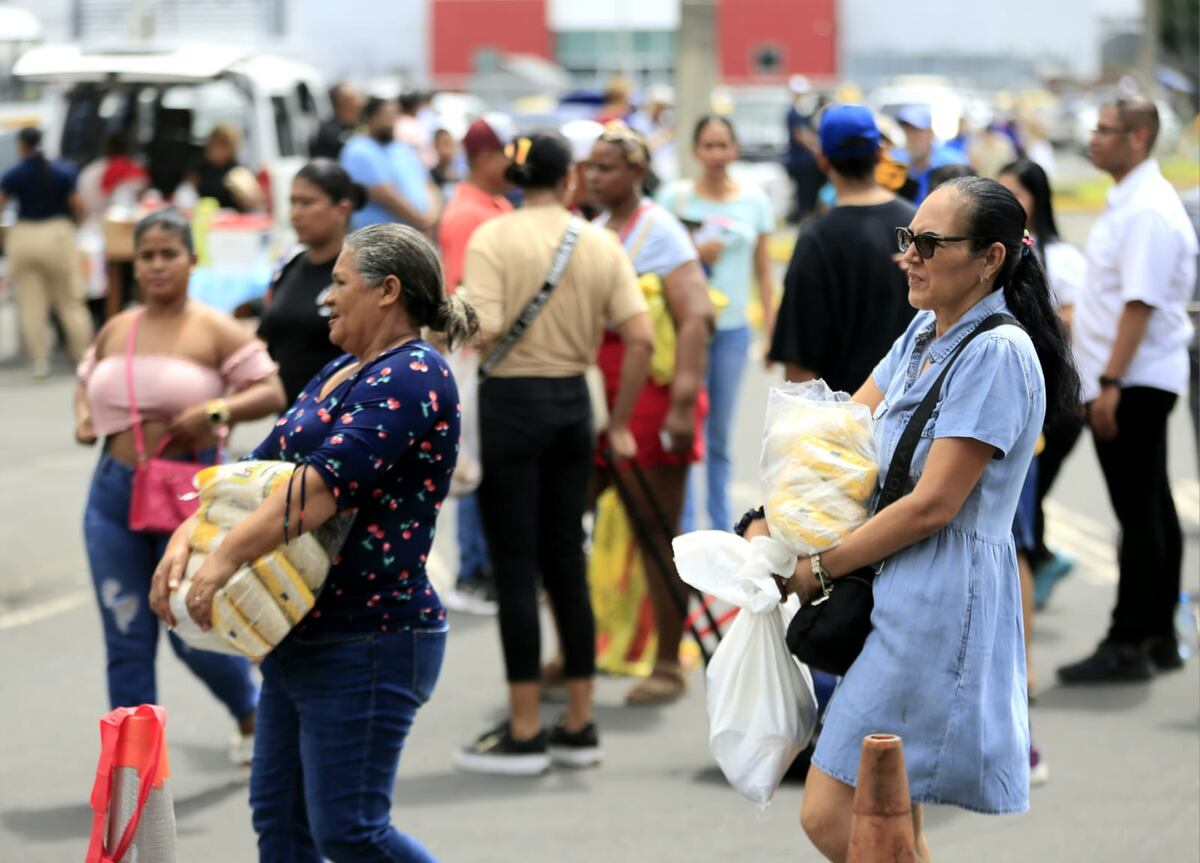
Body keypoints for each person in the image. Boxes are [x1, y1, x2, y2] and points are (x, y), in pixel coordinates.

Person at [750, 176, 1079, 860]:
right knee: (891, 811)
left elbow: (934, 504)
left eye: (930, 243)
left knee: (830, 810)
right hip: (898, 584)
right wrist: (767, 519)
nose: (909, 255)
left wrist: (822, 565)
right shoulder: (924, 331)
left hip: (940, 600)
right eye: (909, 239)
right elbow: (843, 430)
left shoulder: (996, 352)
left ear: (990, 258)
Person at [149, 222, 477, 861]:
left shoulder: (414, 373)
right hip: (300, 629)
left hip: (371, 635)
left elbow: (323, 486)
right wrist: (186, 536)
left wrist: (222, 560)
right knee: (282, 823)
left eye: (339, 282)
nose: (327, 296)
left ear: (387, 291)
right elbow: (254, 471)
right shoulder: (339, 371)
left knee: (350, 831)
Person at [454, 132, 654, 774]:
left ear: (516, 179)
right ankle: (578, 722)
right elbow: (640, 337)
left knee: (515, 567)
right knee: (567, 558)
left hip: (511, 404)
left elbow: (478, 329)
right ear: (569, 178)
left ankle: (522, 730)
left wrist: (442, 318)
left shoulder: (493, 238)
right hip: (575, 404)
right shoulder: (598, 240)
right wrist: (619, 422)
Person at [75, 209, 286, 762]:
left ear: (193, 260)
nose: (157, 265)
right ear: (135, 264)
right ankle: (134, 774)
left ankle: (249, 711)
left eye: (170, 253)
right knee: (126, 637)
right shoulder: (120, 325)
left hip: (186, 502)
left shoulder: (213, 327)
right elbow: (85, 374)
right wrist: (83, 417)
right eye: (146, 256)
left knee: (191, 628)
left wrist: (218, 410)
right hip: (112, 496)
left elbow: (270, 391)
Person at [1058, 97, 1198, 684]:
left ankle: (1129, 640)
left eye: (1106, 131)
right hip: (1132, 376)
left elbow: (1138, 303)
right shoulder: (1132, 200)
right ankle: (1160, 633)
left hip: (1134, 379)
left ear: (1138, 138)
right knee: (1150, 507)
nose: (1094, 139)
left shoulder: (1146, 209)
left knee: (1136, 512)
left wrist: (1109, 381)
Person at [583, 121, 715, 703]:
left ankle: (667, 661)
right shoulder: (591, 229)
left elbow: (696, 317)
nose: (594, 176)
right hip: (596, 395)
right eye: (589, 167)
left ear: (637, 172)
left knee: (656, 532)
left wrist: (683, 403)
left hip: (652, 399)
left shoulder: (659, 230)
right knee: (568, 524)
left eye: (606, 167)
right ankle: (580, 649)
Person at [658, 115, 776, 534]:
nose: (716, 155)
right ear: (694, 151)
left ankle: (720, 528)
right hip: (683, 328)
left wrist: (770, 334)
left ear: (735, 149)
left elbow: (764, 272)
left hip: (731, 331)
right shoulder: (675, 198)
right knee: (686, 427)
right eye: (707, 146)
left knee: (721, 435)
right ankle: (685, 527)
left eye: (723, 145)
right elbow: (655, 258)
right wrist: (692, 249)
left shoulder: (755, 201)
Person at [769, 104, 916, 393]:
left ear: (823, 159)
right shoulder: (917, 224)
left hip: (842, 420)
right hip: (914, 414)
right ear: (879, 153)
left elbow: (800, 360)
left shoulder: (816, 240)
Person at [996, 159, 1088, 610]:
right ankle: (1041, 561)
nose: (1010, 200)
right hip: (1026, 403)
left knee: (1019, 510)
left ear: (1039, 199)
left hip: (1056, 405)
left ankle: (1037, 568)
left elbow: (1070, 320)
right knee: (1020, 507)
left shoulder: (1060, 256)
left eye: (1019, 192)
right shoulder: (997, 252)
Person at [437, 113, 517, 614]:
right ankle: (472, 571)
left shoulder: (493, 205)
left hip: (492, 354)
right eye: (505, 154)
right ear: (486, 158)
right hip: (475, 352)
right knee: (473, 462)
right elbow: (466, 291)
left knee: (485, 457)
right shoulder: (468, 214)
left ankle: (481, 564)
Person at [258, 159, 364, 404]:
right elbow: (266, 335)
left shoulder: (359, 273)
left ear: (342, 210)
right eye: (292, 202)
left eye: (307, 203)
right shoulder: (291, 266)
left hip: (340, 417)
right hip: (290, 422)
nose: (295, 214)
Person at [0, 126, 94, 379]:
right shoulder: (63, 171)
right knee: (70, 300)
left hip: (25, 235)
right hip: (57, 234)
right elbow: (78, 204)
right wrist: (78, 225)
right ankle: (84, 356)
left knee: (31, 303)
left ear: (22, 145)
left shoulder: (14, 174)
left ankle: (39, 361)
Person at [341, 96, 437, 232]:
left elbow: (427, 183)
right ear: (370, 117)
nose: (391, 120)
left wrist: (432, 216)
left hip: (416, 232)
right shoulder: (358, 149)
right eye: (385, 115)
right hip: (383, 238)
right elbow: (385, 194)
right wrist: (421, 220)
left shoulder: (402, 147)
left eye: (394, 114)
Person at [895, 104, 969, 205]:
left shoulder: (954, 163)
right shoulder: (896, 162)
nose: (910, 138)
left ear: (930, 133)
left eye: (916, 132)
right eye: (906, 131)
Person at [190, 123, 262, 212]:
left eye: (222, 145)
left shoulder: (238, 171)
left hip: (233, 221)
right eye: (214, 143)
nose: (215, 148)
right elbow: (188, 195)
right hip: (206, 217)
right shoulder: (199, 168)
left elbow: (255, 203)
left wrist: (243, 196)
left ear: (231, 148)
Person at [785, 75, 824, 224]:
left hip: (810, 163)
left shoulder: (805, 112)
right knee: (803, 195)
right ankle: (805, 220)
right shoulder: (792, 112)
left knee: (811, 194)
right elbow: (800, 135)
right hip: (800, 163)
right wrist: (817, 146)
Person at [310, 82, 365, 160]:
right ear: (344, 102)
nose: (361, 103)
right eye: (355, 98)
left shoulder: (362, 127)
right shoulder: (329, 132)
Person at [430, 128, 463, 202]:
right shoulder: (430, 177)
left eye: (448, 144)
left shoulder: (459, 177)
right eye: (442, 144)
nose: (446, 150)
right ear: (435, 146)